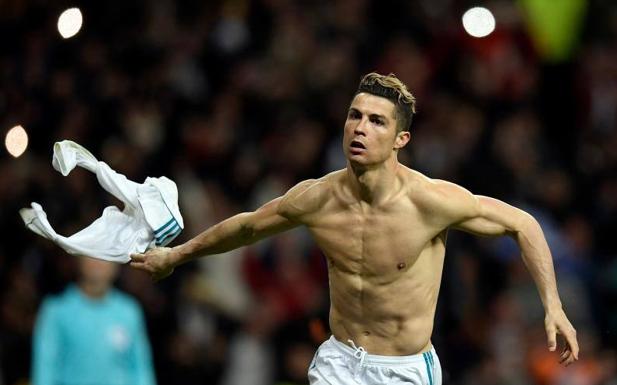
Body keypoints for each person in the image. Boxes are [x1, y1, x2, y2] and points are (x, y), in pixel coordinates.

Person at [130, 72, 579, 385]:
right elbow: (247, 228)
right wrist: (176, 255)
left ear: (401, 139)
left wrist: (553, 306)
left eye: (377, 121)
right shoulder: (318, 198)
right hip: (339, 362)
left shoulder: (429, 201)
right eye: (355, 115)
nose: (360, 128)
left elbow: (523, 223)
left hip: (405, 370)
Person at [32, 257, 156, 385]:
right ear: (78, 259)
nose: (98, 261)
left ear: (117, 263)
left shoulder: (129, 311)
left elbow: (141, 369)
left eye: (105, 255)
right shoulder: (56, 310)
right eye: (92, 254)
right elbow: (45, 369)